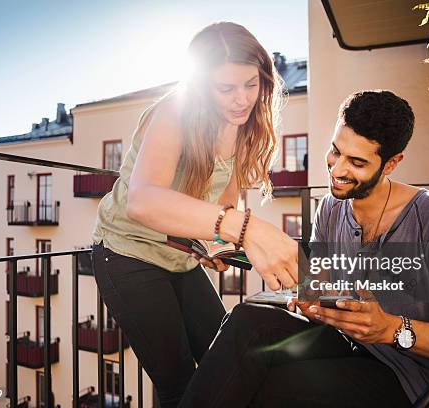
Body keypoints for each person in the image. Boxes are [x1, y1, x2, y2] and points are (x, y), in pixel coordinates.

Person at [178, 90, 429, 407]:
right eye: (335, 151)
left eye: (357, 163)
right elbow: (319, 286)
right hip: (350, 346)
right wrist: (310, 297)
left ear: (391, 163)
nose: (338, 170)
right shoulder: (332, 207)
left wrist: (392, 328)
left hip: (412, 380)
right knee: (249, 320)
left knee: (272, 385)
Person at [91, 22, 298, 408]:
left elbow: (224, 208)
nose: (241, 99)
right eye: (226, 88)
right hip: (127, 252)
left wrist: (218, 246)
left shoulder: (245, 125)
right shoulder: (175, 110)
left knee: (227, 360)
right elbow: (143, 202)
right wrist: (245, 229)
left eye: (250, 84)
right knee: (179, 384)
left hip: (181, 258)